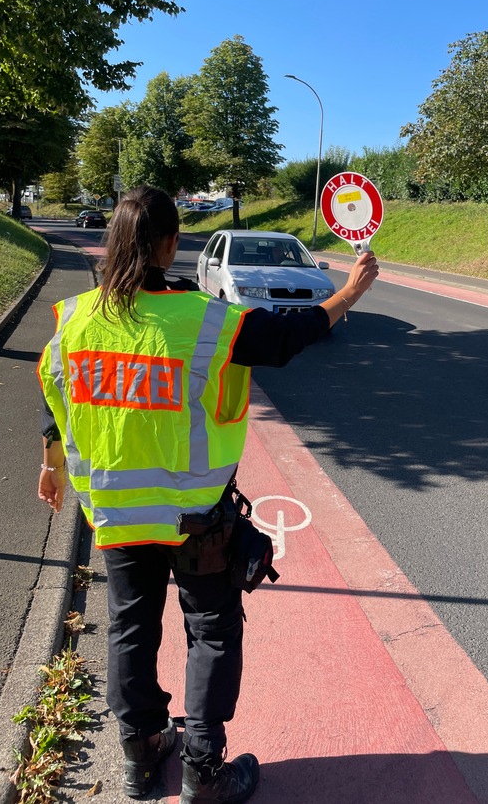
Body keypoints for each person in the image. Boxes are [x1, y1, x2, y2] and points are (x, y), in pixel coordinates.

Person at [36, 186, 378, 804]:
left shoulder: (72, 318)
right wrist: (349, 292)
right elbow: (287, 337)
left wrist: (50, 461)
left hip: (115, 515)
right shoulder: (207, 321)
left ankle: (140, 759)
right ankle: (203, 770)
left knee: (130, 628)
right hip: (198, 520)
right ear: (169, 245)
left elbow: (56, 390)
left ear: (115, 242)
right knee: (212, 630)